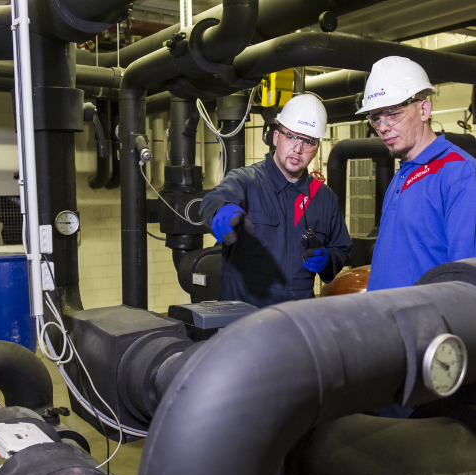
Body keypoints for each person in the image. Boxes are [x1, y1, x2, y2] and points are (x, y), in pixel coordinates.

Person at [199, 94, 352, 308]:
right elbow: (214, 200)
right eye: (291, 137)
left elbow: (341, 249)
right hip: (243, 321)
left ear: (317, 147)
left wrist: (328, 260)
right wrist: (220, 210)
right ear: (276, 137)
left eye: (308, 141)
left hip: (296, 321)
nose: (298, 149)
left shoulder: (324, 198)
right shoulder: (246, 180)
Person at [356, 56, 476, 292]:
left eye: (393, 113)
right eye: (376, 118)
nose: (382, 127)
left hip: (425, 324)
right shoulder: (403, 173)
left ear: (424, 110)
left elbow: (465, 280)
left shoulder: (459, 173)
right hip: (384, 319)